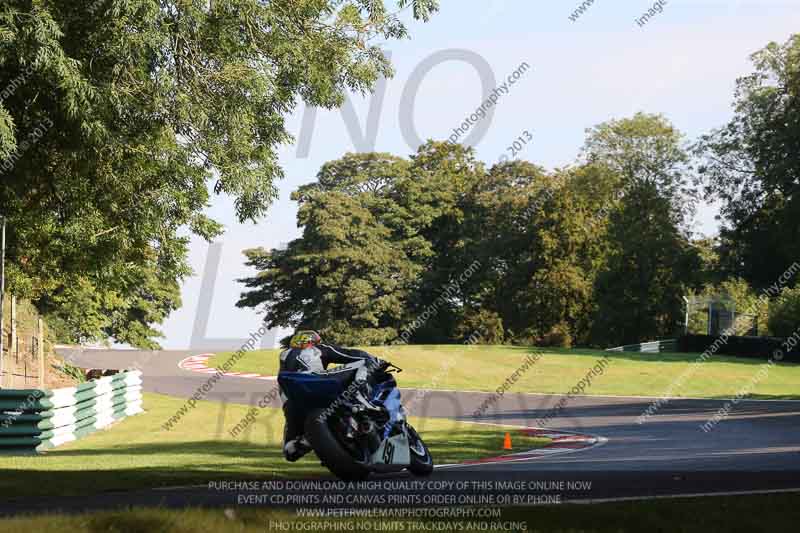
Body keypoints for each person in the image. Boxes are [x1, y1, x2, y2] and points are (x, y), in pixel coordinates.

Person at [279, 330, 384, 462]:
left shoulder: (284, 356)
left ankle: (304, 442)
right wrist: (375, 360)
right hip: (315, 381)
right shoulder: (318, 348)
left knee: (290, 451)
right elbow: (351, 354)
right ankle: (363, 403)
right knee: (363, 362)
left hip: (291, 402)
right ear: (314, 342)